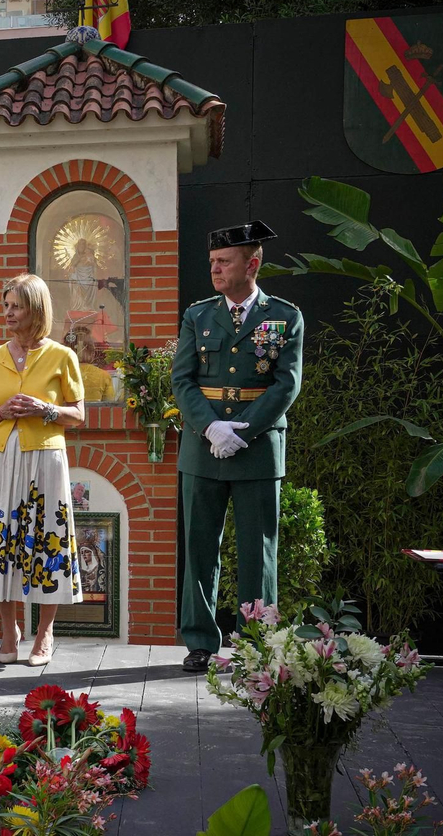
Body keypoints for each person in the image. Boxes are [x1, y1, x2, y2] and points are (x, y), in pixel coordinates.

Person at [170, 220, 304, 673]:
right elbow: (182, 380)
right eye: (212, 261)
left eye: (224, 261)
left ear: (252, 264)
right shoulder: (198, 316)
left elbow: (286, 385)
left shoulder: (284, 316)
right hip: (202, 447)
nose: (215, 269)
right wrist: (212, 428)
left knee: (257, 553)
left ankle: (256, 644)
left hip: (257, 448)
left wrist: (241, 433)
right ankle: (200, 642)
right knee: (199, 550)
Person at [0, 274, 85, 667]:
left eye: (17, 306)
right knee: (1, 541)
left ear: (36, 310)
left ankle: (44, 633)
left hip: (44, 459)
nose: (8, 313)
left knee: (46, 541)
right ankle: (8, 631)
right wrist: (1, 412)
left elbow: (78, 415)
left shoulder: (63, 356)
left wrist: (45, 409)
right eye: (6, 306)